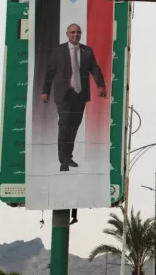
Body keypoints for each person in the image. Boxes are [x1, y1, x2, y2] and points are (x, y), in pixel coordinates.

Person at [40, 23, 107, 172]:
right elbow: (50, 72)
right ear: (67, 34)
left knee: (73, 126)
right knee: (64, 125)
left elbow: (94, 69)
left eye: (78, 32)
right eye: (73, 32)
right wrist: (45, 91)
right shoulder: (59, 50)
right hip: (64, 94)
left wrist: (101, 85)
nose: (76, 34)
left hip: (79, 94)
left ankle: (68, 156)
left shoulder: (87, 51)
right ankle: (63, 160)